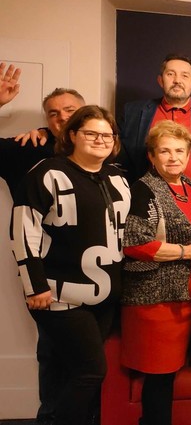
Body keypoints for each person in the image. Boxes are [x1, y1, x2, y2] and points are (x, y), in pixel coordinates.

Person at [10, 105, 131, 425]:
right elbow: (23, 231)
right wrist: (34, 285)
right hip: (57, 294)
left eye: (107, 135)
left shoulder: (118, 178)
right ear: (73, 135)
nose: (100, 140)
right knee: (91, 372)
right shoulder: (47, 173)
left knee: (73, 371)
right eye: (91, 133)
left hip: (104, 297)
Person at [0, 65, 86, 424]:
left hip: (97, 274)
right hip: (44, 272)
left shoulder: (103, 149)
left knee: (89, 362)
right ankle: (49, 419)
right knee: (52, 353)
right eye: (53, 113)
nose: (62, 117)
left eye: (69, 110)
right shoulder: (27, 148)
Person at [120, 121, 191, 425]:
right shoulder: (143, 189)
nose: (173, 157)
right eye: (165, 151)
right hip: (154, 300)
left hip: (186, 296)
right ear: (151, 156)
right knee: (159, 375)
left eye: (179, 151)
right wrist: (187, 252)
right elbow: (134, 243)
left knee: (169, 374)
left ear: (188, 155)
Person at [118, 53, 191, 191]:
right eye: (170, 74)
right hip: (144, 197)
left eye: (184, 75)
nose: (177, 80)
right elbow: (115, 152)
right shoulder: (133, 112)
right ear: (160, 80)